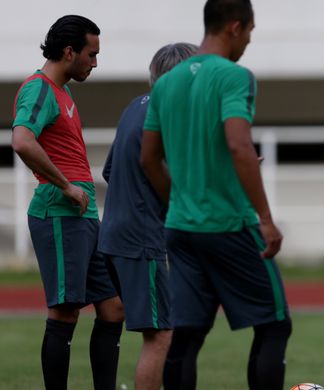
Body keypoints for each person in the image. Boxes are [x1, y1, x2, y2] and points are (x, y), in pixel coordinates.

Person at [140, 1, 290, 389]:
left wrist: (176, 202)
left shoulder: (166, 83)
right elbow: (240, 146)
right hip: (229, 223)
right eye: (250, 34)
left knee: (187, 336)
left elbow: (149, 158)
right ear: (235, 27)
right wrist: (267, 219)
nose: (248, 43)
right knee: (274, 326)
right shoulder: (234, 76)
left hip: (180, 229)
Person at [11, 15, 124, 389]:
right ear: (69, 51)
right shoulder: (39, 88)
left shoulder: (64, 92)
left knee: (113, 309)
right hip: (59, 213)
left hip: (82, 214)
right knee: (64, 312)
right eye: (91, 54)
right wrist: (64, 185)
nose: (95, 62)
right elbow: (23, 141)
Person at [99, 42, 197, 390]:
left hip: (112, 233)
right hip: (142, 241)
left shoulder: (135, 107)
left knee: (155, 329)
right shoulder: (168, 115)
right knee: (161, 336)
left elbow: (109, 171)